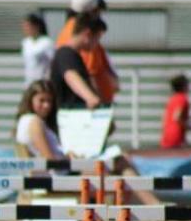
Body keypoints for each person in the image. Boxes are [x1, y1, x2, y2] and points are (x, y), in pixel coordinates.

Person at [14, 80, 160, 205]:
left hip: (61, 173)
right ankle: (150, 207)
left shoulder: (26, 121)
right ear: (30, 100)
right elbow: (50, 160)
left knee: (120, 162)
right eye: (42, 100)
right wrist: (71, 159)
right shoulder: (34, 122)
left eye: (49, 101)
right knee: (117, 173)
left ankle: (151, 207)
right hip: (60, 176)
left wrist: (68, 156)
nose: (46, 105)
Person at [56, 0, 119, 105]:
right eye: (98, 10)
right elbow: (90, 73)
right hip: (90, 108)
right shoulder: (83, 36)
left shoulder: (69, 29)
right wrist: (99, 105)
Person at [49, 13, 104, 109]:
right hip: (70, 116)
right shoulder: (66, 54)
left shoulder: (74, 56)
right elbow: (70, 75)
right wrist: (90, 97)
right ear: (87, 34)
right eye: (97, 38)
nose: (97, 44)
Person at [21, 13, 55, 85]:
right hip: (29, 82)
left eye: (28, 26)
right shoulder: (26, 42)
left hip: (43, 82)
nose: (25, 29)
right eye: (24, 26)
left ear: (36, 26)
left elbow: (54, 62)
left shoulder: (46, 42)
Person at [160, 74, 191, 149]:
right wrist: (188, 125)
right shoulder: (182, 98)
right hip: (176, 137)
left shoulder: (172, 99)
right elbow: (177, 117)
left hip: (167, 137)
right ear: (183, 86)